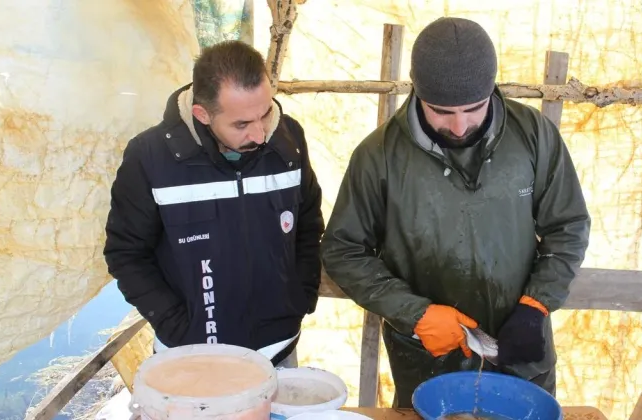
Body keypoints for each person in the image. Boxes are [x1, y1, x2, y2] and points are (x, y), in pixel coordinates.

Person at [320, 17, 590, 406]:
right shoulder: (378, 156)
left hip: (521, 354)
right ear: (417, 91)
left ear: (492, 90)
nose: (461, 126)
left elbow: (568, 225)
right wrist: (415, 314)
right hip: (429, 360)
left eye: (474, 108)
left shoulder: (533, 135)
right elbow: (343, 251)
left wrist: (537, 304)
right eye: (442, 111)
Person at [103, 40, 324, 368]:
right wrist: (178, 325)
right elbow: (126, 254)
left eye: (265, 113)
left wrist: (300, 296)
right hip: (191, 359)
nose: (261, 134)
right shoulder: (149, 158)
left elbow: (308, 225)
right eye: (241, 124)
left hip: (277, 352)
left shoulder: (289, 140)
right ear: (202, 114)